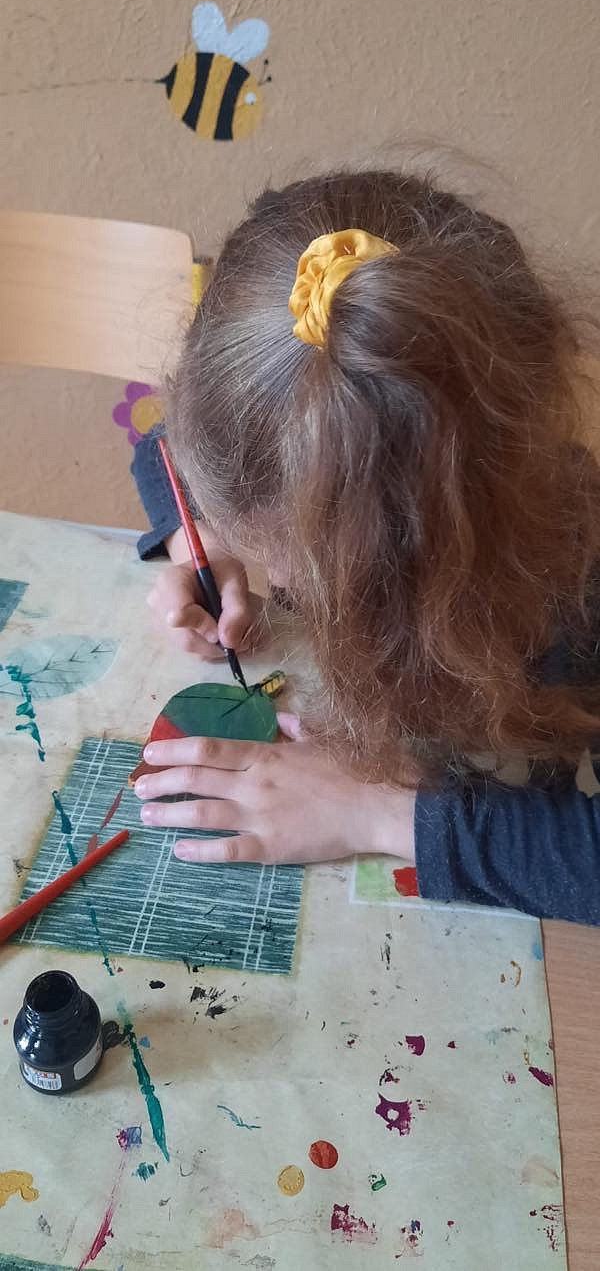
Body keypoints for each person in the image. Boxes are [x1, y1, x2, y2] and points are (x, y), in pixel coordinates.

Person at [131, 167, 600, 924]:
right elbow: (164, 451)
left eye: (314, 575)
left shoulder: (579, 581)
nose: (282, 579)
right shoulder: (273, 411)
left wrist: (375, 810)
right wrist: (203, 541)